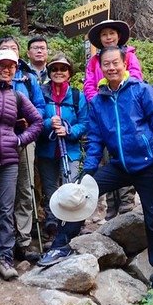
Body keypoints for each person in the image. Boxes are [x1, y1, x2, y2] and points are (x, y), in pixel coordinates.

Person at [78, 46, 153, 290]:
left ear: (124, 64)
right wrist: (89, 168)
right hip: (120, 165)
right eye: (106, 64)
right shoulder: (99, 100)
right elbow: (96, 138)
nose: (111, 68)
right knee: (86, 191)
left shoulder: (141, 90)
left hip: (148, 164)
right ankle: (60, 243)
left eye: (115, 63)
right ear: (100, 67)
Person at [0, 49, 43, 282]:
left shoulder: (17, 96)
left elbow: (37, 122)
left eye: (11, 66)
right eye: (2, 65)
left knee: (4, 211)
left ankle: (4, 258)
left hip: (10, 160)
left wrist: (20, 140)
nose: (6, 69)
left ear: (15, 70)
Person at [83, 19, 143, 217]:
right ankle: (111, 206)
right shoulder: (94, 61)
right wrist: (97, 101)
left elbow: (135, 77)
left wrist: (121, 94)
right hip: (103, 110)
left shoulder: (129, 55)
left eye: (111, 33)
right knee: (108, 157)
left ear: (118, 36)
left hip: (125, 110)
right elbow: (89, 84)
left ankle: (126, 203)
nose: (108, 37)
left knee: (125, 151)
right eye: (104, 34)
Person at [34, 53, 88, 250]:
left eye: (63, 69)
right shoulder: (41, 93)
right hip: (47, 150)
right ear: (49, 72)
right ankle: (53, 227)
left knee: (70, 187)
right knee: (50, 190)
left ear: (69, 73)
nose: (58, 72)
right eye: (55, 69)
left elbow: (85, 123)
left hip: (70, 150)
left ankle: (72, 227)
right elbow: (36, 117)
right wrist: (49, 123)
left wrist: (70, 131)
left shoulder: (76, 96)